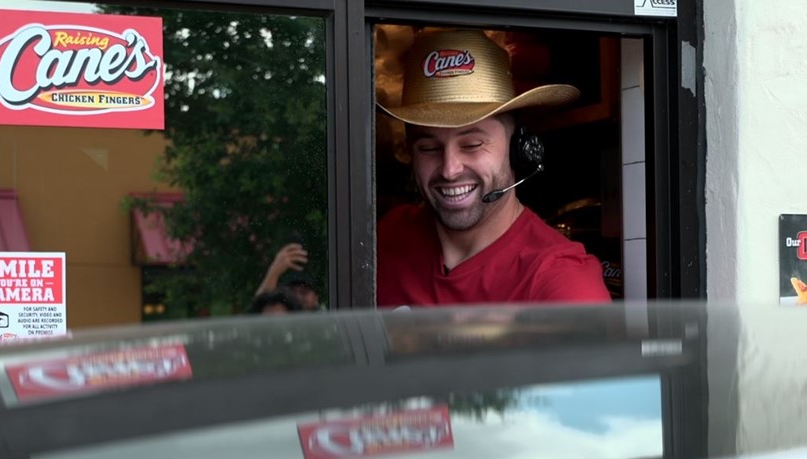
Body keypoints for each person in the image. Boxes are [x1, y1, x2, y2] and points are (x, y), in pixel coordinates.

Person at [375, 28, 612, 308]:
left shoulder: (563, 284)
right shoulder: (388, 237)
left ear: (518, 149)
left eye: (473, 145)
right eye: (428, 147)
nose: (449, 169)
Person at [254, 243, 322, 311]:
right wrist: (274, 272)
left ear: (315, 298)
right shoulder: (278, 319)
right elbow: (256, 317)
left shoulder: (327, 320)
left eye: (304, 292)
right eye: (291, 292)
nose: (298, 297)